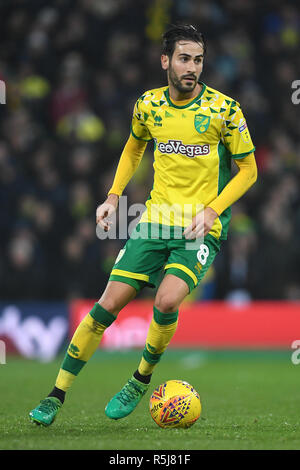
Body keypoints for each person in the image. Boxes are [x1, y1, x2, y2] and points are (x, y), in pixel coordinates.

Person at [29, 24, 257, 426]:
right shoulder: (148, 105)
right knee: (107, 305)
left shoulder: (225, 110)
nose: (192, 68)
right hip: (153, 222)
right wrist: (113, 196)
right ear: (165, 61)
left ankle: (139, 380)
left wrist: (212, 210)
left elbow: (248, 170)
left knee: (166, 301)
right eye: (184, 59)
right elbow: (134, 146)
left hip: (200, 227)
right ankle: (56, 394)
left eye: (198, 60)